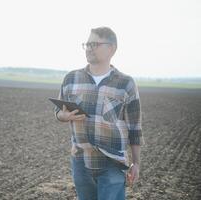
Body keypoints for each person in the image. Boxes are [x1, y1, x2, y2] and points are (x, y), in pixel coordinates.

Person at [54, 27, 144, 200]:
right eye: (87, 44)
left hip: (113, 162)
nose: (89, 48)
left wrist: (136, 163)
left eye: (94, 44)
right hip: (81, 160)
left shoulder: (126, 83)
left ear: (112, 48)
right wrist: (62, 117)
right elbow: (58, 112)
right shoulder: (71, 79)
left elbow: (135, 128)